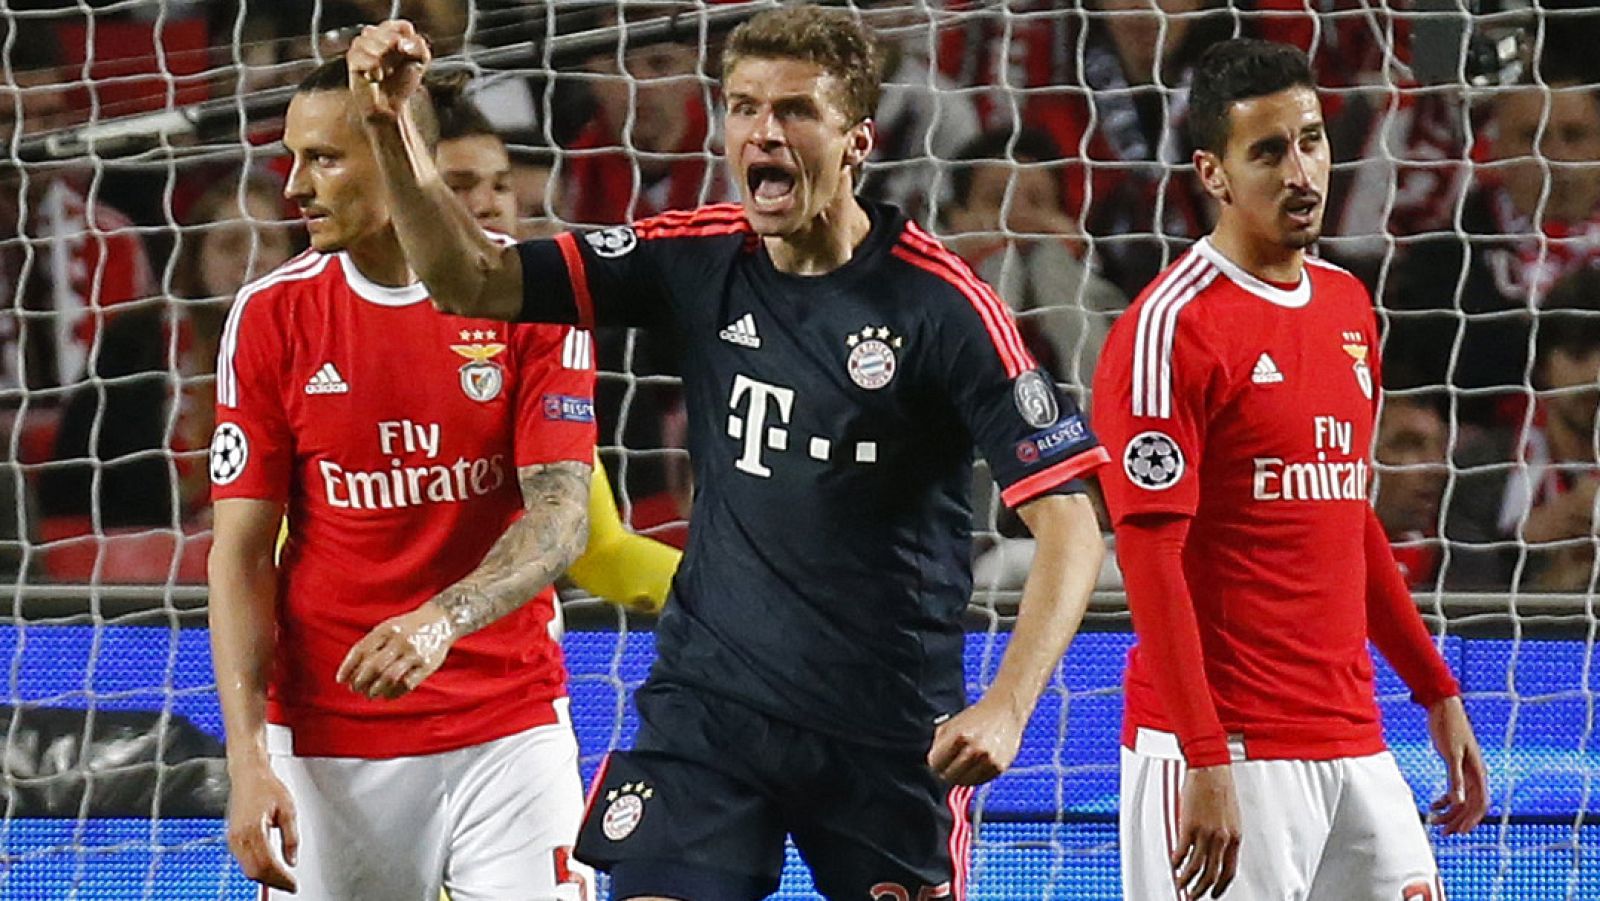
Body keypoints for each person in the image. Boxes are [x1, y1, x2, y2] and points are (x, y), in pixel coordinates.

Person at [348, 6, 1109, 899]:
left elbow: (1071, 524)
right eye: (744, 107)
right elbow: (468, 279)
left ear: (856, 140)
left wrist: (1009, 705)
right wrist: (390, 125)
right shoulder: (697, 254)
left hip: (887, 727)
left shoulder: (942, 305)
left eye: (794, 111)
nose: (763, 132)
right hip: (712, 708)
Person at [1090, 39, 1488, 899]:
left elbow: (1347, 518)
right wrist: (1202, 755)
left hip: (1352, 734)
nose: (1300, 169)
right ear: (1214, 172)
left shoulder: (1348, 304)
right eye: (1268, 150)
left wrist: (1435, 688)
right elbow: (1148, 556)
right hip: (1226, 745)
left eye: (1310, 139)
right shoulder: (1169, 330)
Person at [207, 57, 598, 900]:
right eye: (293, 157)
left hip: (509, 721)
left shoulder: (530, 296)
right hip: (328, 738)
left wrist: (440, 620)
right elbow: (238, 553)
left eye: (325, 159)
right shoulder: (272, 316)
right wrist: (246, 759)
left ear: (397, 156)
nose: (295, 187)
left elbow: (563, 520)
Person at [430, 75, 682, 611]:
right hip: (363, 652)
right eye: (459, 186)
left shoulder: (542, 326)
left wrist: (751, 606)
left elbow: (600, 550)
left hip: (506, 668)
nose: (490, 203)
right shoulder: (315, 318)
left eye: (500, 185)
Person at [1446, 266, 1600, 592]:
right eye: (1577, 354)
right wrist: (1523, 544)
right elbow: (1461, 596)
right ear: (1542, 366)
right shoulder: (1480, 469)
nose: (1595, 376)